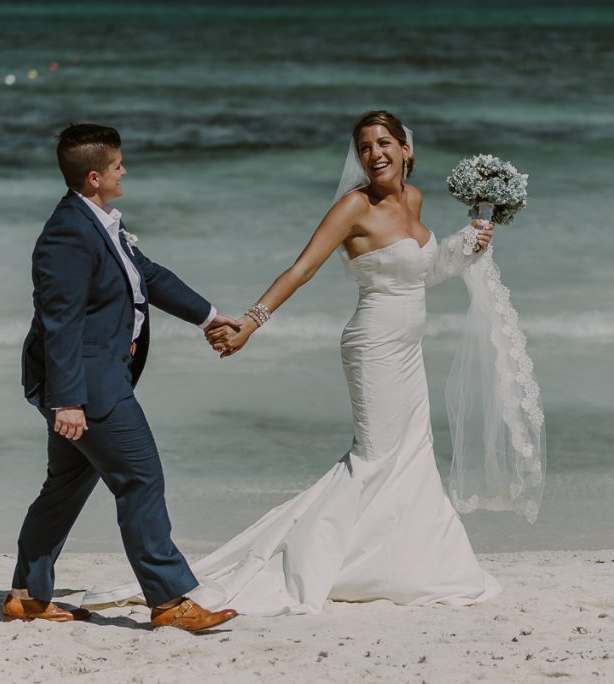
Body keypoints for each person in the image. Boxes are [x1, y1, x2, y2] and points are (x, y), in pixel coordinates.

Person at [83, 111, 543, 615]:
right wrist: (251, 323)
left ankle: (411, 561)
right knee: (373, 458)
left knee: (411, 452)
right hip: (373, 348)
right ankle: (307, 558)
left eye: (385, 143)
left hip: (409, 350)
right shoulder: (352, 207)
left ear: (407, 150)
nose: (375, 154)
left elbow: (424, 271)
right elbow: (301, 269)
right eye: (365, 147)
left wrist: (468, 242)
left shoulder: (414, 200)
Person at [7, 123, 241, 631]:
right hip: (89, 385)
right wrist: (67, 400)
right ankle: (170, 600)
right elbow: (59, 321)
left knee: (66, 484)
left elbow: (147, 276)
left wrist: (210, 316)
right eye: (117, 165)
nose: (124, 170)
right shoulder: (67, 234)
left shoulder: (96, 221)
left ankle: (27, 594)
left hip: (92, 379)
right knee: (140, 479)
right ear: (94, 177)